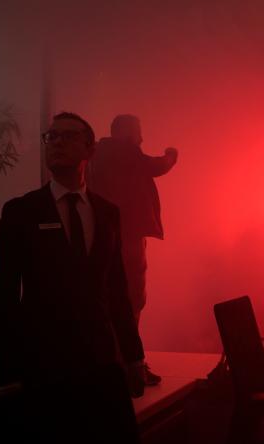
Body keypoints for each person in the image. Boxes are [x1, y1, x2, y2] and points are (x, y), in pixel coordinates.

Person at [0, 112, 145, 444]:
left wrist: (133, 357)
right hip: (43, 366)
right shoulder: (21, 212)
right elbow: (4, 299)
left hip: (100, 363)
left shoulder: (107, 212)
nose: (57, 143)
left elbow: (117, 290)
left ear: (89, 149)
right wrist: (6, 375)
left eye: (68, 136)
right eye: (52, 136)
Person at [88, 114, 178, 385]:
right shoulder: (125, 152)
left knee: (114, 298)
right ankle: (130, 363)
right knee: (132, 298)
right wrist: (172, 155)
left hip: (107, 235)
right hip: (128, 236)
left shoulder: (98, 155)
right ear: (126, 132)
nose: (141, 138)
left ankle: (117, 361)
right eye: (138, 131)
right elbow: (156, 166)